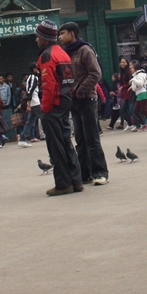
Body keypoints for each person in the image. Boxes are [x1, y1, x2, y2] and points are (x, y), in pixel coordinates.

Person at [35, 19, 84, 196]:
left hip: (53, 105)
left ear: (44, 38)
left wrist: (45, 109)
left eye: (37, 36)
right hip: (65, 102)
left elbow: (48, 84)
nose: (36, 40)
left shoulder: (47, 55)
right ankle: (76, 180)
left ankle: (63, 183)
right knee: (67, 143)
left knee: (56, 146)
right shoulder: (62, 53)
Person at [59, 22, 109, 185]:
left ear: (72, 34)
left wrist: (81, 89)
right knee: (79, 138)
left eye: (63, 33)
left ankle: (100, 172)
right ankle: (85, 173)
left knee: (92, 138)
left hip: (87, 98)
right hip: (73, 101)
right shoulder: (65, 53)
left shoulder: (85, 50)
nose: (60, 37)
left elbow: (96, 73)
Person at [19, 65, 42, 147]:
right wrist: (29, 103)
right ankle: (52, 136)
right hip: (34, 102)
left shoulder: (31, 77)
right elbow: (30, 90)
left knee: (30, 122)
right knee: (44, 118)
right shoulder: (33, 78)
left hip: (33, 102)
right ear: (34, 69)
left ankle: (22, 139)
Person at [128, 60, 147, 130]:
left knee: (144, 110)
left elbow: (141, 84)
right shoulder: (137, 75)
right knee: (135, 110)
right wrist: (132, 87)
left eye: (132, 67)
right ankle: (144, 123)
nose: (130, 69)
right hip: (139, 94)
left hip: (142, 93)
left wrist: (133, 80)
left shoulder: (140, 75)